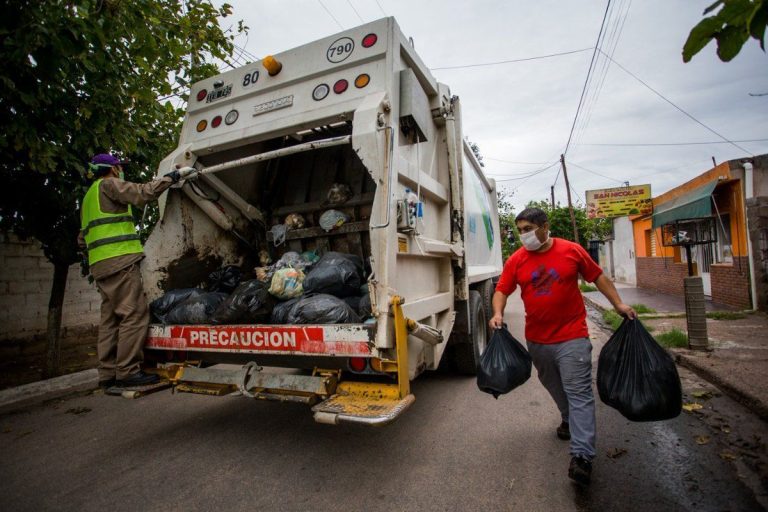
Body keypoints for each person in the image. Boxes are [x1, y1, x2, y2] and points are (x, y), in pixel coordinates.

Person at [489, 207, 636, 486]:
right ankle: (568, 419)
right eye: (520, 230)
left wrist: (618, 304)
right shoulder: (517, 259)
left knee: (578, 391)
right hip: (538, 339)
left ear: (545, 227)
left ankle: (582, 456)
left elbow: (598, 277)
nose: (524, 235)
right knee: (552, 384)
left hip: (573, 336)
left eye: (528, 228)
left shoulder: (572, 250)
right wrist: (497, 313)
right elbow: (502, 290)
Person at [78, 153, 192, 389]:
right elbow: (143, 193)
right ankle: (128, 372)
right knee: (134, 314)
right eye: (120, 166)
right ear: (114, 168)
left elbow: (82, 238)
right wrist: (172, 177)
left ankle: (107, 374)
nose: (121, 170)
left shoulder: (89, 196)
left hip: (100, 265)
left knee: (110, 319)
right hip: (119, 261)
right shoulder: (110, 184)